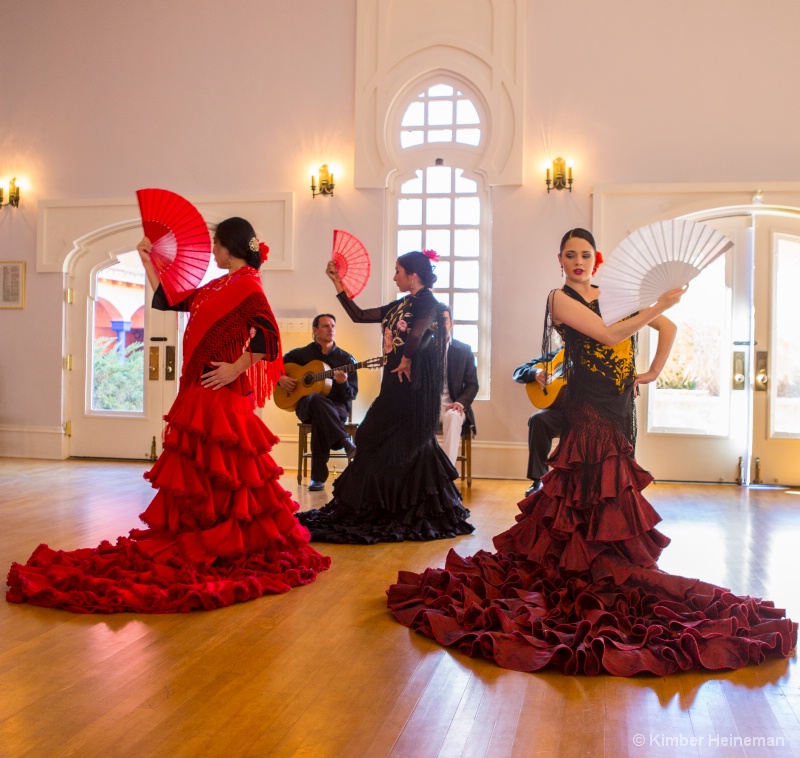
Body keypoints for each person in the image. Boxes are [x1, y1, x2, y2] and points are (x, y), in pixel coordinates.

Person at [388, 228, 797, 676]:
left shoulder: (615, 293)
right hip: (586, 402)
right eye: (570, 255)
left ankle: (601, 559)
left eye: (585, 255)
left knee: (610, 481)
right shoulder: (559, 299)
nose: (579, 262)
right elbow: (605, 335)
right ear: (559, 259)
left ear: (595, 259)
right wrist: (656, 305)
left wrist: (654, 370)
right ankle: (581, 563)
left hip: (620, 402)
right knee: (585, 479)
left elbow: (669, 327)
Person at [7, 217, 330, 613]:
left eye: (216, 244)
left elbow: (269, 337)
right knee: (202, 471)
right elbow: (173, 300)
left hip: (221, 392)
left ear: (230, 246)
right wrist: (147, 261)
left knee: (227, 470)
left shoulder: (247, 285)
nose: (212, 251)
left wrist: (235, 367)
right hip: (200, 391)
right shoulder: (217, 285)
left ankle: (226, 540)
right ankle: (204, 535)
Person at [296, 250, 474, 544]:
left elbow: (417, 335)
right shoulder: (401, 304)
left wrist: (405, 359)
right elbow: (359, 315)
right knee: (385, 440)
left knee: (399, 442)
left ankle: (402, 507)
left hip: (411, 390)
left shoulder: (429, 304)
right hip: (393, 385)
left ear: (412, 275)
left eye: (398, 271)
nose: (394, 277)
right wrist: (337, 283)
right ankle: (389, 505)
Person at [278, 314, 357, 491]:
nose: (331, 329)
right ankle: (344, 441)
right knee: (314, 399)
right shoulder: (301, 354)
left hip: (336, 408)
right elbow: (275, 366)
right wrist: (280, 379)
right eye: (325, 326)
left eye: (333, 326)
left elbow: (352, 394)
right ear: (315, 331)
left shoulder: (346, 360)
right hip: (307, 406)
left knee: (320, 418)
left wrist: (343, 384)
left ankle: (318, 478)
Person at [512, 351, 563, 497]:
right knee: (538, 419)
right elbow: (518, 372)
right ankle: (538, 480)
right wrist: (535, 372)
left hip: (582, 412)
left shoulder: (589, 355)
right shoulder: (556, 356)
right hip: (559, 413)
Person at [439, 306, 478, 466]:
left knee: (453, 416)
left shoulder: (464, 350)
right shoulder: (424, 350)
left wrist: (460, 403)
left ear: (451, 323)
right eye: (437, 321)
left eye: (445, 320)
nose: (441, 324)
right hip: (428, 406)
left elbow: (472, 385)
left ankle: (447, 474)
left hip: (453, 405)